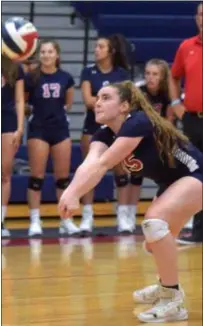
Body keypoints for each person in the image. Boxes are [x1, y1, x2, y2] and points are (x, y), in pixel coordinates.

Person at [59, 81, 202, 323]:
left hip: (196, 175)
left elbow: (104, 164)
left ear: (125, 105)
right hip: (173, 183)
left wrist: (73, 195)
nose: (98, 102)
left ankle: (172, 299)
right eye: (98, 98)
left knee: (155, 225)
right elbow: (91, 164)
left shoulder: (138, 122)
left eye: (106, 97)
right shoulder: (104, 133)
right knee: (153, 243)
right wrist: (71, 191)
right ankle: (167, 286)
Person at [80, 34, 133, 234]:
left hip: (117, 128)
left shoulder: (122, 75)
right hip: (92, 127)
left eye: (100, 47)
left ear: (111, 51)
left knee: (121, 173)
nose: (96, 50)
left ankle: (123, 216)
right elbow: (87, 101)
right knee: (89, 172)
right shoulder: (88, 72)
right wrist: (112, 102)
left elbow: (127, 104)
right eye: (95, 46)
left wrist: (101, 101)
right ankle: (87, 217)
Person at [25, 40, 77, 236]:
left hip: (60, 130)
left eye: (50, 51)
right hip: (38, 129)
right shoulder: (32, 77)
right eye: (43, 52)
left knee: (63, 179)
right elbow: (23, 102)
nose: (46, 55)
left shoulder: (66, 78)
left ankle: (65, 220)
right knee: (36, 178)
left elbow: (68, 104)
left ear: (57, 55)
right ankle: (35, 221)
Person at [169, 2, 203, 243]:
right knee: (197, 175)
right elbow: (173, 76)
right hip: (193, 120)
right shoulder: (186, 47)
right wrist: (175, 103)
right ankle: (199, 231)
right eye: (201, 15)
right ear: (196, 18)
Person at [129, 58, 174, 222]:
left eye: (155, 74)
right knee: (135, 175)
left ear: (162, 77)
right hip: (140, 137)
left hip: (161, 137)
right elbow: (131, 117)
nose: (150, 77)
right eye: (147, 73)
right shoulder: (138, 90)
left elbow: (170, 120)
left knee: (170, 176)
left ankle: (171, 211)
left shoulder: (168, 92)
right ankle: (129, 216)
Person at [2, 55, 25, 237]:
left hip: (8, 123)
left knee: (4, 173)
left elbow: (19, 100)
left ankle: (1, 220)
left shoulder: (15, 67)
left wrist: (19, 128)